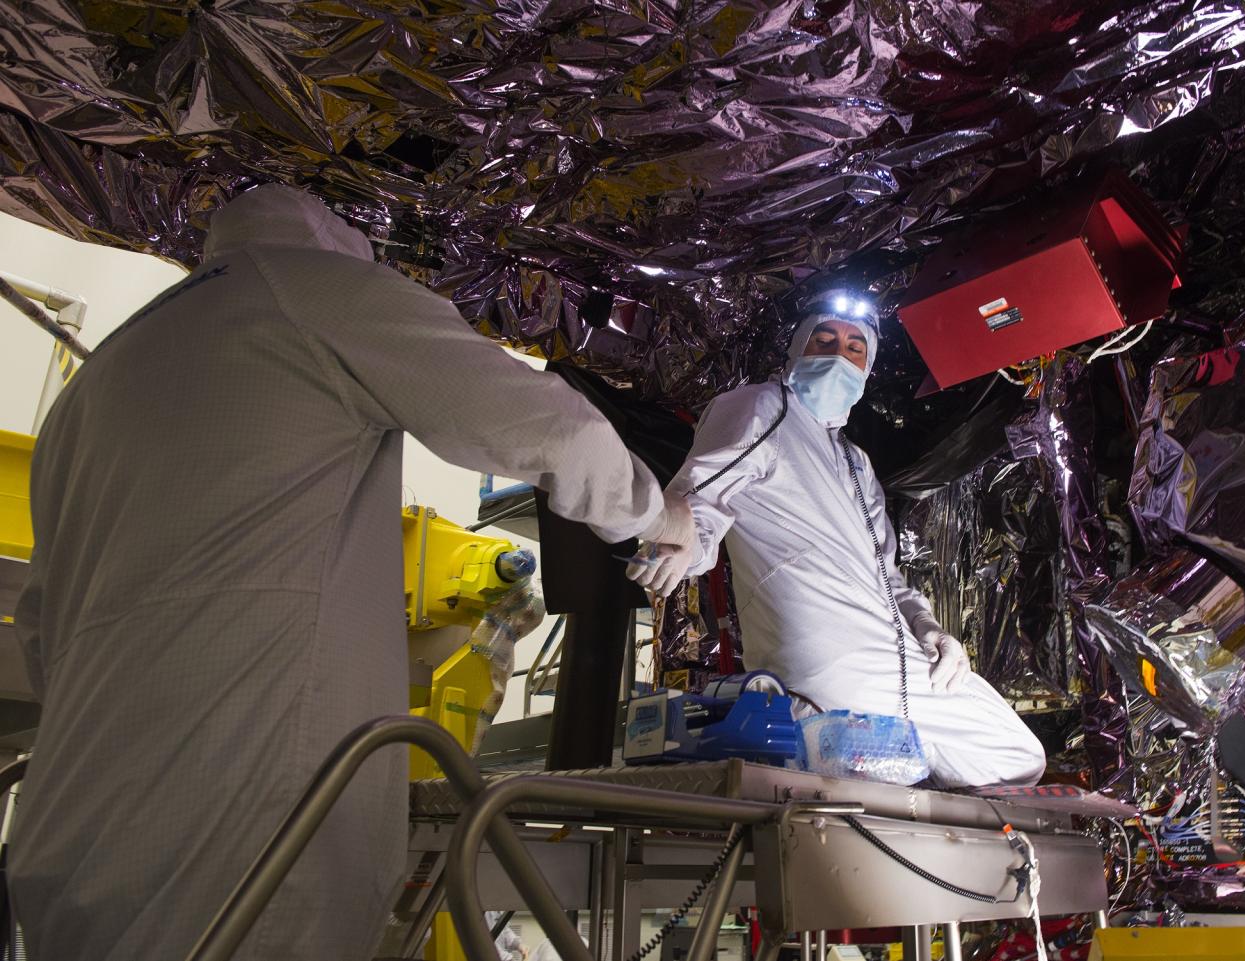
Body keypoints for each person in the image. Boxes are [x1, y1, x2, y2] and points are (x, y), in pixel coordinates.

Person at [10, 184, 695, 961]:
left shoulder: (101, 374)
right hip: (245, 813)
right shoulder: (312, 289)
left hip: (73, 817)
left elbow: (39, 628)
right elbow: (547, 427)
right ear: (350, 240)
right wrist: (657, 516)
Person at [630, 291, 1044, 788]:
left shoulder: (855, 461)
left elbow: (887, 574)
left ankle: (895, 775)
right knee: (868, 797)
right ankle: (827, 745)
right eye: (823, 340)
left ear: (866, 371)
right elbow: (703, 495)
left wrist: (932, 631)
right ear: (796, 352)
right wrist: (679, 541)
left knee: (1018, 757)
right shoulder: (765, 406)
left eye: (854, 347)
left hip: (906, 666)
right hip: (826, 659)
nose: (837, 354)